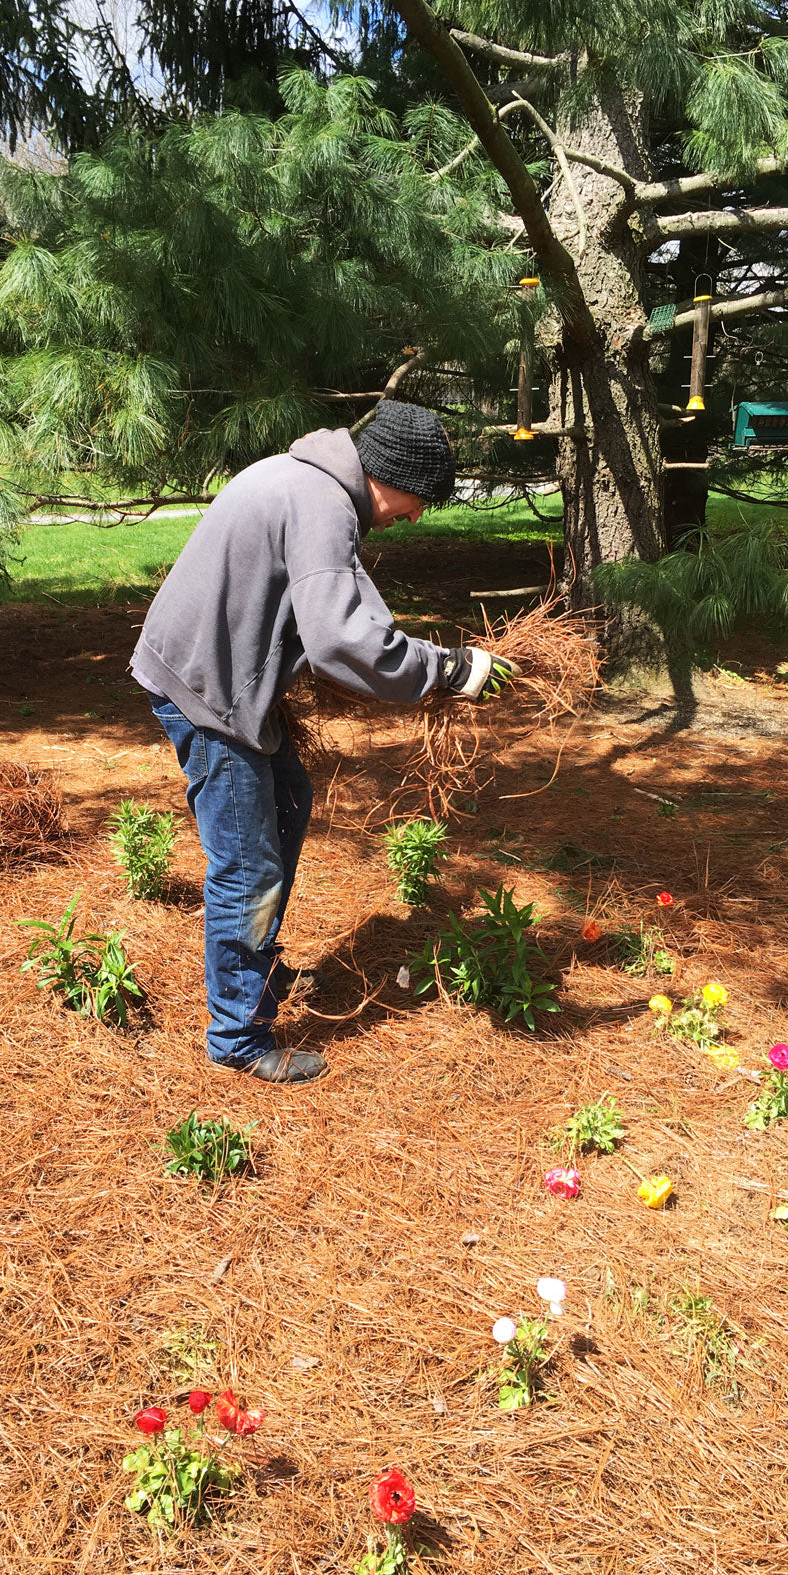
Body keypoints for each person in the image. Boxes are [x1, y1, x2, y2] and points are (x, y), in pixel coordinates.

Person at [130, 400, 516, 1084]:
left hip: (216, 676)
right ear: (387, 475)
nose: (417, 515)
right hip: (207, 689)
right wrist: (448, 669)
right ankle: (238, 1038)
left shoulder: (310, 482)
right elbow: (342, 638)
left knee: (286, 804)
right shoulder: (322, 504)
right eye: (419, 498)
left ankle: (255, 969)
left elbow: (339, 604)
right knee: (249, 868)